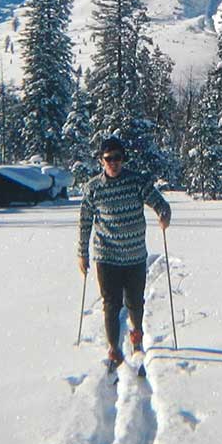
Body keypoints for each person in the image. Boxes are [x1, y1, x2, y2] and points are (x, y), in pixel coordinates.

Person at [78, 136, 171, 367]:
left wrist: (164, 214)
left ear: (123, 159)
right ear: (101, 160)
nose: (114, 162)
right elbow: (85, 222)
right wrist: (82, 253)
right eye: (109, 158)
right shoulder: (93, 189)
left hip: (135, 255)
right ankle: (113, 348)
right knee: (111, 303)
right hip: (106, 256)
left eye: (118, 158)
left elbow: (160, 203)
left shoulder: (137, 182)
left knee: (134, 301)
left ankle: (136, 334)